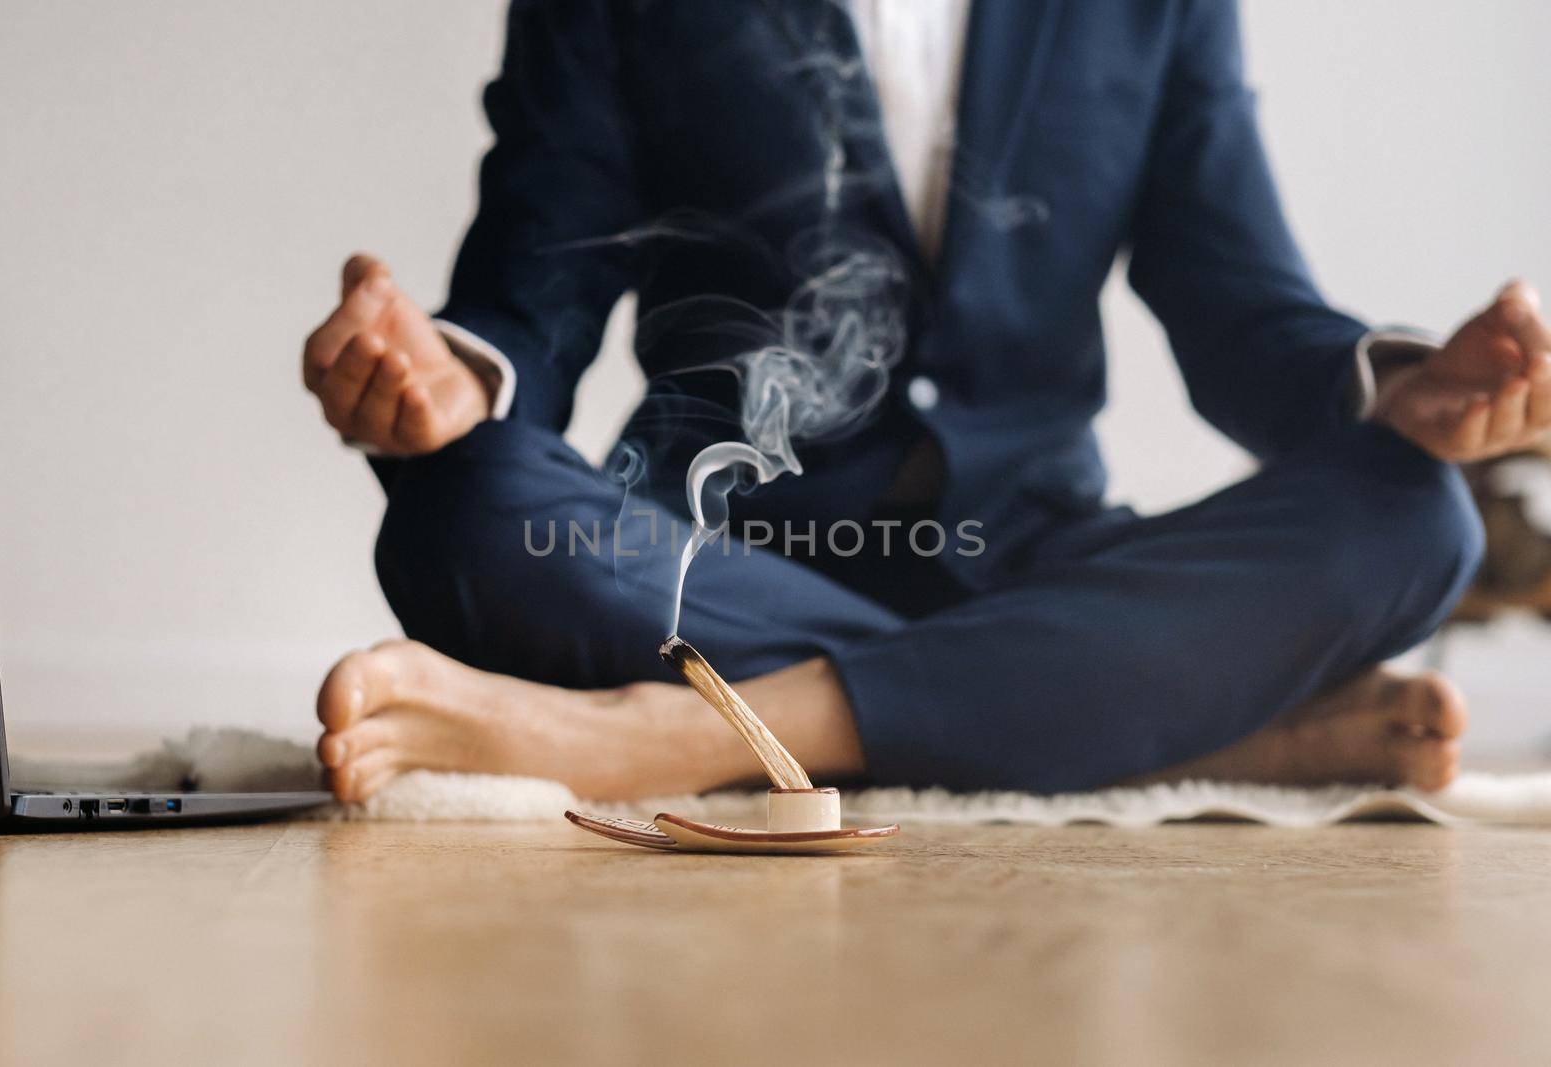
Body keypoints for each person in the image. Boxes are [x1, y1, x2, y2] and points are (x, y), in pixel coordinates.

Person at [301, 0, 1551, 803]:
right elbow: (541, 280)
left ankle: (688, 735)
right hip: (722, 557)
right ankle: (1174, 727)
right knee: (461, 511)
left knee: (1416, 516)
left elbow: (1239, 309)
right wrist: (448, 380)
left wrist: (1407, 390)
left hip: (1039, 550)